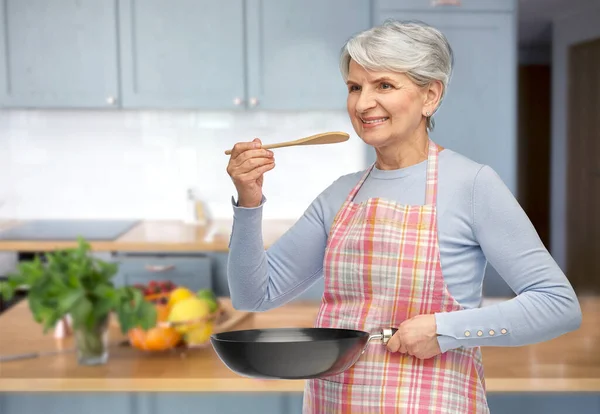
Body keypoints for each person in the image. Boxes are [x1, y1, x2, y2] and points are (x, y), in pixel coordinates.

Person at [224, 19, 582, 413]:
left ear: (430, 95)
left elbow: (557, 306)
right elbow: (254, 295)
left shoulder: (472, 184)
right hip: (335, 402)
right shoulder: (341, 194)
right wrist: (249, 202)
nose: (362, 104)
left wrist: (445, 331)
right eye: (354, 87)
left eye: (384, 85)